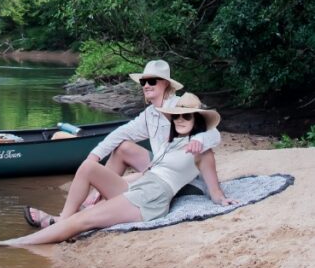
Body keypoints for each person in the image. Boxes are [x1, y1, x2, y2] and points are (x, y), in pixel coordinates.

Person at [0, 93, 236, 247]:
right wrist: (98, 155)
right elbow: (125, 140)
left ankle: (19, 243)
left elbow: (214, 188)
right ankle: (61, 220)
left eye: (187, 117)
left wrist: (222, 200)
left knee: (83, 220)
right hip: (141, 185)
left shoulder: (203, 149)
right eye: (177, 117)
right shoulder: (170, 140)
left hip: (152, 196)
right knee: (88, 167)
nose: (180, 121)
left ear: (198, 120)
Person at [26, 58, 221, 228]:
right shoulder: (150, 114)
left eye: (151, 81)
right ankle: (86, 204)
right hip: (159, 170)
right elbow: (120, 133)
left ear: (165, 84)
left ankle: (72, 215)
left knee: (121, 169)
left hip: (184, 180)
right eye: (143, 81)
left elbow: (213, 134)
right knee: (122, 147)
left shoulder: (180, 107)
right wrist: (94, 156)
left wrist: (198, 139)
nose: (146, 85)